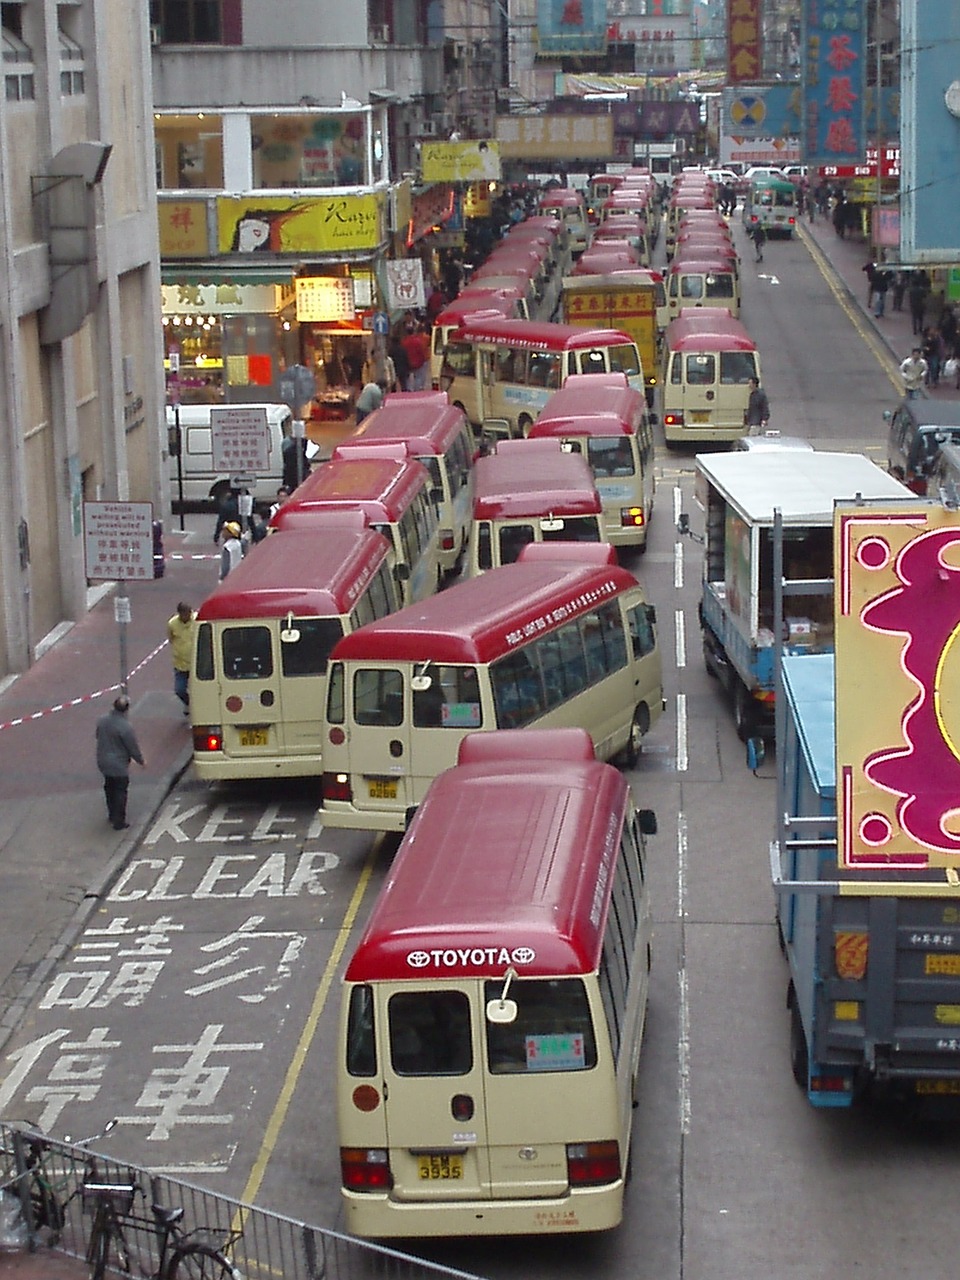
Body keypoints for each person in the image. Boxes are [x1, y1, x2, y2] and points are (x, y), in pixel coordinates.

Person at [95, 695, 145, 830]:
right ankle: (119, 821)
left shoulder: (102, 720)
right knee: (120, 790)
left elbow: (97, 735)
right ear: (126, 709)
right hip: (118, 764)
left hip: (103, 761)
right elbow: (132, 747)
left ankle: (111, 814)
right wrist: (141, 761)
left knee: (109, 787)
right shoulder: (125, 727)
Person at [166, 602, 196, 716]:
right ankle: (188, 704)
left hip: (196, 664)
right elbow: (171, 638)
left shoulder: (197, 619)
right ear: (180, 614)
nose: (189, 615)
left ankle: (199, 708)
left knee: (200, 689)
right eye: (186, 614)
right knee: (180, 690)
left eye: (190, 613)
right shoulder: (172, 624)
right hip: (180, 664)